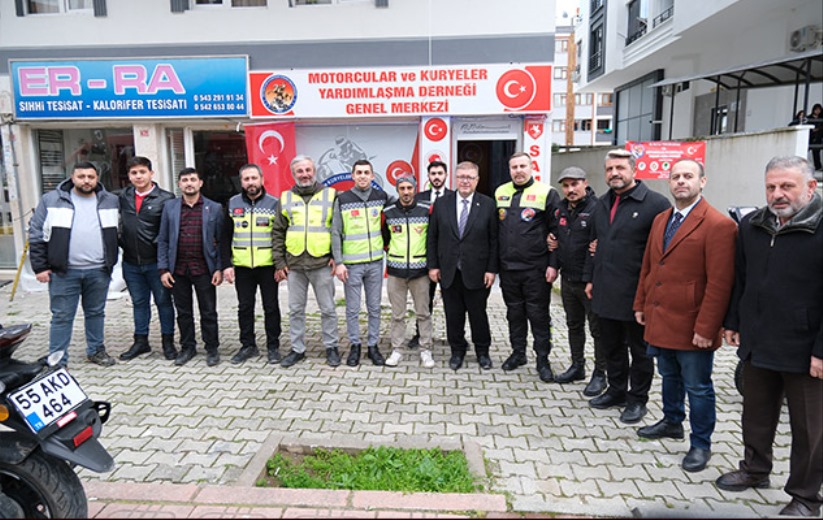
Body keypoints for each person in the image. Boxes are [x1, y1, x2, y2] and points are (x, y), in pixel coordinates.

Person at [716, 156, 822, 517]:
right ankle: (756, 470)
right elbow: (741, 278)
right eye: (771, 187)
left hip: (806, 348)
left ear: (810, 187)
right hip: (758, 342)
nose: (778, 194)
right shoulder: (752, 225)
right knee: (755, 415)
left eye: (787, 186)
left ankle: (806, 496)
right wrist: (733, 321)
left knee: (809, 428)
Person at [633, 159, 737, 473]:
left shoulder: (719, 225)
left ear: (702, 182)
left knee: (698, 387)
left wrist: (708, 328)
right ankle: (672, 420)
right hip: (660, 317)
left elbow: (720, 283)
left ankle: (701, 444)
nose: (681, 182)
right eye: (676, 176)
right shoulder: (661, 219)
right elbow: (650, 267)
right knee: (669, 375)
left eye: (688, 176)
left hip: (693, 324)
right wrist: (641, 303)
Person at [583, 149, 670, 424]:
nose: (614, 174)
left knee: (640, 352)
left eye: (620, 168)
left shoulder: (656, 204)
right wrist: (589, 278)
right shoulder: (601, 203)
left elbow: (664, 254)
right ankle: (617, 391)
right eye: (609, 169)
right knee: (611, 347)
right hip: (605, 290)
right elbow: (593, 244)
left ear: (634, 169)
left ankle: (637, 400)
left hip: (638, 295)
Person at [29, 161, 120, 367]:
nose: (86, 181)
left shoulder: (111, 200)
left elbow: (119, 231)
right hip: (64, 272)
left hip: (98, 270)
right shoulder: (51, 200)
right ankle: (58, 358)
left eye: (91, 177)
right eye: (81, 176)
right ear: (72, 178)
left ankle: (96, 351)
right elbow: (36, 234)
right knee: (61, 316)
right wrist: (40, 267)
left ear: (97, 179)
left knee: (96, 313)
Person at [494, 152, 561, 382]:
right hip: (508, 269)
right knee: (514, 313)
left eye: (522, 166)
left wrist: (553, 265)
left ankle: (543, 359)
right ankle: (518, 353)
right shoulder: (500, 192)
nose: (518, 170)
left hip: (536, 269)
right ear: (509, 170)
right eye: (514, 167)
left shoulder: (547, 193)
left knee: (538, 315)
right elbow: (496, 232)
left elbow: (556, 233)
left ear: (531, 167)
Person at [427, 161, 498, 371]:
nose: (465, 181)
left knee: (478, 315)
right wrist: (433, 266)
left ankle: (482, 352)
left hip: (477, 272)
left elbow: (494, 240)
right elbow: (433, 237)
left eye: (470, 177)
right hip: (449, 271)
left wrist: (491, 269)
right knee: (453, 315)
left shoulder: (487, 204)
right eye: (461, 177)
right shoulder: (442, 204)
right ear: (455, 179)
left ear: (477, 180)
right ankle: (457, 351)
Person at [273, 155, 341, 368]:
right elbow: (277, 231)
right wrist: (279, 261)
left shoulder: (331, 195)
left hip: (321, 263)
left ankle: (331, 347)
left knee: (328, 309)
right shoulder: (285, 198)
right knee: (295, 310)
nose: (304, 174)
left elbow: (338, 230)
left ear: (315, 170)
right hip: (294, 265)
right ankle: (297, 349)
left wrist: (336, 257)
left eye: (308, 170)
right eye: (300, 171)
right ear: (294, 174)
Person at [157, 167, 224, 367]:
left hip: (204, 268)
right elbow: (163, 240)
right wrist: (163, 269)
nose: (189, 183)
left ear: (200, 183)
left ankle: (212, 348)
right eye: (184, 180)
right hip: (178, 270)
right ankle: (188, 347)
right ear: (179, 184)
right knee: (183, 312)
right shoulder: (170, 207)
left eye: (193, 179)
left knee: (208, 311)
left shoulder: (215, 208)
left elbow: (221, 241)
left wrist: (219, 268)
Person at [550, 167, 607, 396]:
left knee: (597, 330)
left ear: (585, 183)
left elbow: (598, 245)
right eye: (566, 185)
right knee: (574, 326)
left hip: (589, 282)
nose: (570, 190)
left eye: (575, 184)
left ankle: (600, 374)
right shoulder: (561, 209)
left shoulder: (597, 208)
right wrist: (553, 261)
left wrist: (589, 279)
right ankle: (577, 366)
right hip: (567, 279)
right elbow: (554, 238)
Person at [221, 164, 282, 365]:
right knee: (245, 307)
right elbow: (225, 236)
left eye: (254, 178)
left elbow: (281, 235)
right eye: (246, 179)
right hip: (242, 266)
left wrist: (281, 264)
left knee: (271, 307)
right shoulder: (232, 203)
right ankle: (248, 346)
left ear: (262, 179)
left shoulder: (275, 203)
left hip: (268, 266)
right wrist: (226, 265)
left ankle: (273, 346)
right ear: (241, 182)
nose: (251, 183)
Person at [118, 156, 177, 362]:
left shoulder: (166, 198)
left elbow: (171, 231)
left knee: (163, 302)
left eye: (142, 172)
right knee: (139, 303)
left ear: (151, 173)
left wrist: (166, 264)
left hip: (157, 263)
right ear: (129, 176)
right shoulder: (123, 196)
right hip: (131, 262)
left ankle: (168, 342)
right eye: (134, 173)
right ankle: (141, 341)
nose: (138, 176)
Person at [331, 160, 387, 367]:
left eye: (366, 173)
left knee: (374, 308)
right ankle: (355, 345)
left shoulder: (382, 197)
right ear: (352, 176)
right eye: (359, 173)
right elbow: (335, 232)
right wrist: (339, 262)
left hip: (375, 263)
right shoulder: (343, 199)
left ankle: (373, 346)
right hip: (352, 264)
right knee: (352, 309)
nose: (363, 176)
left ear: (373, 176)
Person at [382, 174, 435, 368]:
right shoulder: (388, 212)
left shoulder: (426, 209)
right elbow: (385, 239)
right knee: (397, 315)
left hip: (420, 272)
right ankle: (397, 350)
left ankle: (426, 349)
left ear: (415, 189)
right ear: (397, 190)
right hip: (396, 272)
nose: (406, 192)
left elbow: (432, 238)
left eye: (409, 188)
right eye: (402, 188)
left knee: (423, 313)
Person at [409, 160, 451, 348]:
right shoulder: (419, 198)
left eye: (440, 173)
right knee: (423, 300)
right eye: (433, 173)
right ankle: (420, 335)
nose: (436, 177)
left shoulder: (454, 197)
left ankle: (455, 336)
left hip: (449, 257)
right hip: (425, 257)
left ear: (446, 175)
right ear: (428, 176)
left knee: (452, 301)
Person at [808, 103, 822, 171]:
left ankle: (818, 166)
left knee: (816, 152)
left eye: (819, 110)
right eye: (816, 110)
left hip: (818, 137)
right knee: (806, 151)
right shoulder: (809, 117)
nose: (818, 111)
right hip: (810, 136)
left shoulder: (821, 118)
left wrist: (818, 129)